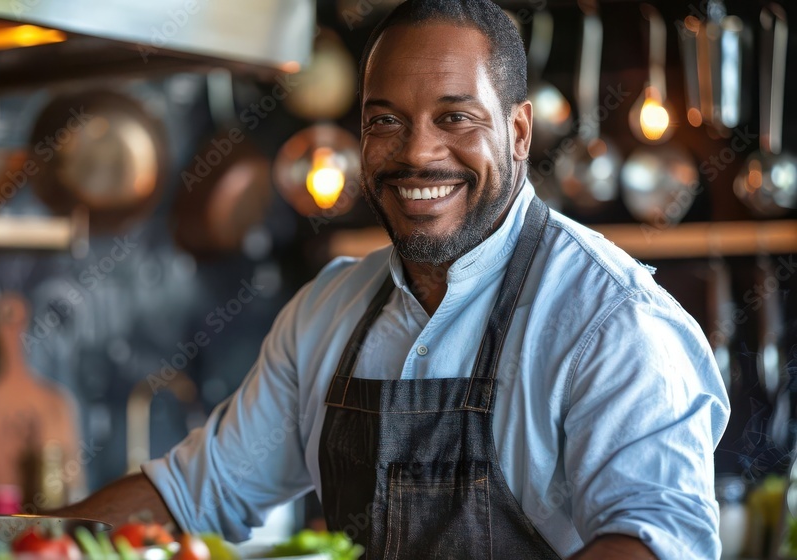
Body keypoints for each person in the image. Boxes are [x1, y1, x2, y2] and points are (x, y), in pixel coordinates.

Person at [62, 1, 730, 558]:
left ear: (519, 132)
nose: (417, 152)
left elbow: (654, 543)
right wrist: (11, 539)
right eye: (386, 121)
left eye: (454, 117)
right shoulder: (328, 310)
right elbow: (191, 498)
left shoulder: (611, 320)